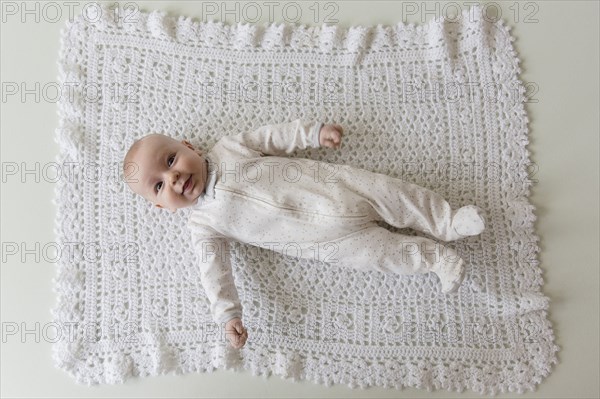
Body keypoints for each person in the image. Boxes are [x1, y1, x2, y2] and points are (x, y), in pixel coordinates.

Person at [123, 119, 486, 349]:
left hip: (334, 188)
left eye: (170, 160)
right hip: (326, 243)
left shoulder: (228, 149)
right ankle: (438, 260)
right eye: (158, 186)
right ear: (162, 208)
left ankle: (448, 221)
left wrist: (313, 133)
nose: (172, 178)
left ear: (188, 146)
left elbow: (273, 137)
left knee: (393, 193)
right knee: (383, 255)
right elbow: (213, 273)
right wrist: (228, 315)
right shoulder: (203, 226)